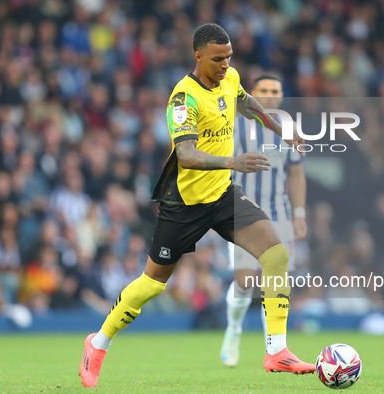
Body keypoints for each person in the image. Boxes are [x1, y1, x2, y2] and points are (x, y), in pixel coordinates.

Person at [79, 23, 314, 388]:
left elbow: (246, 103)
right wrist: (234, 162)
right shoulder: (183, 98)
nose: (225, 64)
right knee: (152, 284)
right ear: (198, 56)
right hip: (184, 204)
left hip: (222, 195)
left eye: (229, 57)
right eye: (218, 59)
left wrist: (279, 128)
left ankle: (277, 351)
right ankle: (97, 344)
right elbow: (185, 155)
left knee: (276, 255)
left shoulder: (230, 77)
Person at [220, 74, 308, 367]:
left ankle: (274, 348)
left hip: (279, 213)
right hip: (242, 210)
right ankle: (233, 330)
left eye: (276, 91)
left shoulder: (289, 128)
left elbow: (296, 173)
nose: (270, 96)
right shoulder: (233, 126)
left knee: (274, 279)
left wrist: (299, 213)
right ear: (252, 94)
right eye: (264, 91)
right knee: (245, 281)